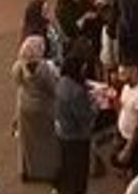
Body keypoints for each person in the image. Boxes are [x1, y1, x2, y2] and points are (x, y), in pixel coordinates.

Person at [11, 36, 61, 183]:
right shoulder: (44, 69)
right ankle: (47, 171)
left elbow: (17, 82)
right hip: (43, 108)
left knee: (27, 141)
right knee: (47, 141)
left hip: (25, 106)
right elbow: (53, 89)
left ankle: (27, 170)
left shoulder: (18, 66)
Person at [51, 58, 93, 194]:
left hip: (63, 132)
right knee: (78, 172)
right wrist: (95, 106)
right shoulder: (77, 92)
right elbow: (85, 117)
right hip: (77, 137)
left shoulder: (62, 82)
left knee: (66, 167)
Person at [112, 61, 138, 178]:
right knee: (122, 166)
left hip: (137, 141)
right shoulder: (126, 87)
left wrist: (128, 148)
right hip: (124, 135)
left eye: (123, 72)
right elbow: (122, 110)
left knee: (135, 172)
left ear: (134, 70)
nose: (121, 76)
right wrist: (117, 132)